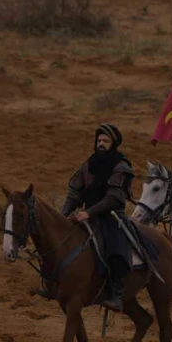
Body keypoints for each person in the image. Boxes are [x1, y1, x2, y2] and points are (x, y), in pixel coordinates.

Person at [61, 124, 134, 311]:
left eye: (105, 141)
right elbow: (75, 193)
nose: (101, 144)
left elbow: (113, 198)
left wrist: (89, 212)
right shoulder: (88, 164)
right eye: (99, 140)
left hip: (111, 217)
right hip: (87, 216)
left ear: (113, 143)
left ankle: (117, 294)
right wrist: (63, 215)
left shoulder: (121, 165)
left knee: (115, 248)